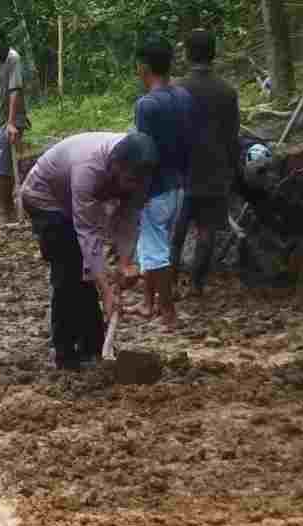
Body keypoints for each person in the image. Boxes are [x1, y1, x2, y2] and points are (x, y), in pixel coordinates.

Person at [20, 133, 159, 370]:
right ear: (115, 166)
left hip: (71, 201)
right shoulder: (89, 169)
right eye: (129, 180)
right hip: (45, 198)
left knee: (87, 275)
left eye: (138, 182)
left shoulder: (137, 172)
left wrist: (126, 263)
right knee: (69, 272)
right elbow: (88, 233)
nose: (133, 186)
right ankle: (65, 354)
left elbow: (127, 219)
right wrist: (106, 290)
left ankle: (93, 348)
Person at [131, 36, 193, 328]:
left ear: (143, 67)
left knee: (156, 253)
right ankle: (148, 303)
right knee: (153, 247)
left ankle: (168, 313)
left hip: (155, 187)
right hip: (179, 183)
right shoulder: (183, 96)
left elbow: (144, 152)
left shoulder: (147, 105)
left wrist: (138, 189)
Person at [173, 29, 239, 298]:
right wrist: (232, 171)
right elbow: (232, 136)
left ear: (188, 54)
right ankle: (198, 284)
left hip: (181, 171)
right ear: (213, 54)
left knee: (176, 229)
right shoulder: (227, 91)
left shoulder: (177, 90)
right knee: (206, 230)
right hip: (215, 172)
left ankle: (171, 281)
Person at [0, 23, 30, 222]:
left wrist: (11, 123)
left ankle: (8, 212)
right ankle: (5, 208)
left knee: (3, 166)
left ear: (0, 43)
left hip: (10, 121)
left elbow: (15, 91)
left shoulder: (13, 59)